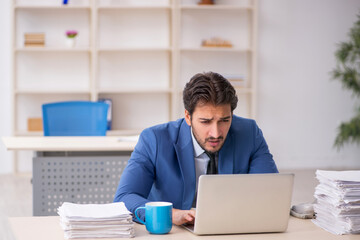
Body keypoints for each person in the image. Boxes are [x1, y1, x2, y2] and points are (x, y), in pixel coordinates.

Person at [114, 72, 278, 226]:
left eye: (224, 120)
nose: (216, 133)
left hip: (232, 228)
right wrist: (171, 214)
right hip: (174, 232)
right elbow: (124, 199)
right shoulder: (154, 139)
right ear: (188, 116)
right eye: (205, 122)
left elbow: (271, 192)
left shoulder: (250, 133)